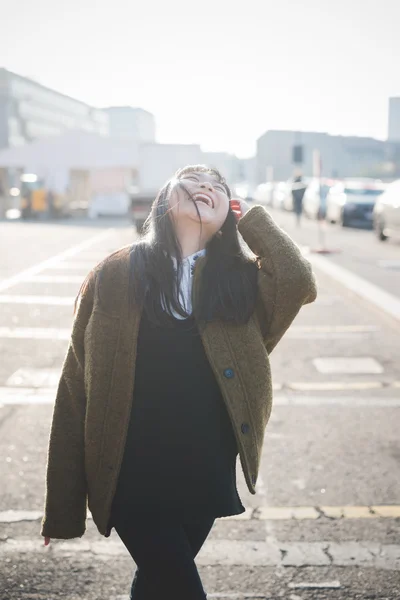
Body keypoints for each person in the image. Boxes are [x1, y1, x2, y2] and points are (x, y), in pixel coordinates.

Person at [41, 165, 317, 599]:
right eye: (192, 180)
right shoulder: (115, 274)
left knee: (157, 586)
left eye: (218, 187)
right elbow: (76, 384)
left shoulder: (241, 282)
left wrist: (250, 221)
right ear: (165, 200)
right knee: (182, 590)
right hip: (132, 469)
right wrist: (62, 502)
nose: (206, 186)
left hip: (205, 469)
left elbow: (297, 280)